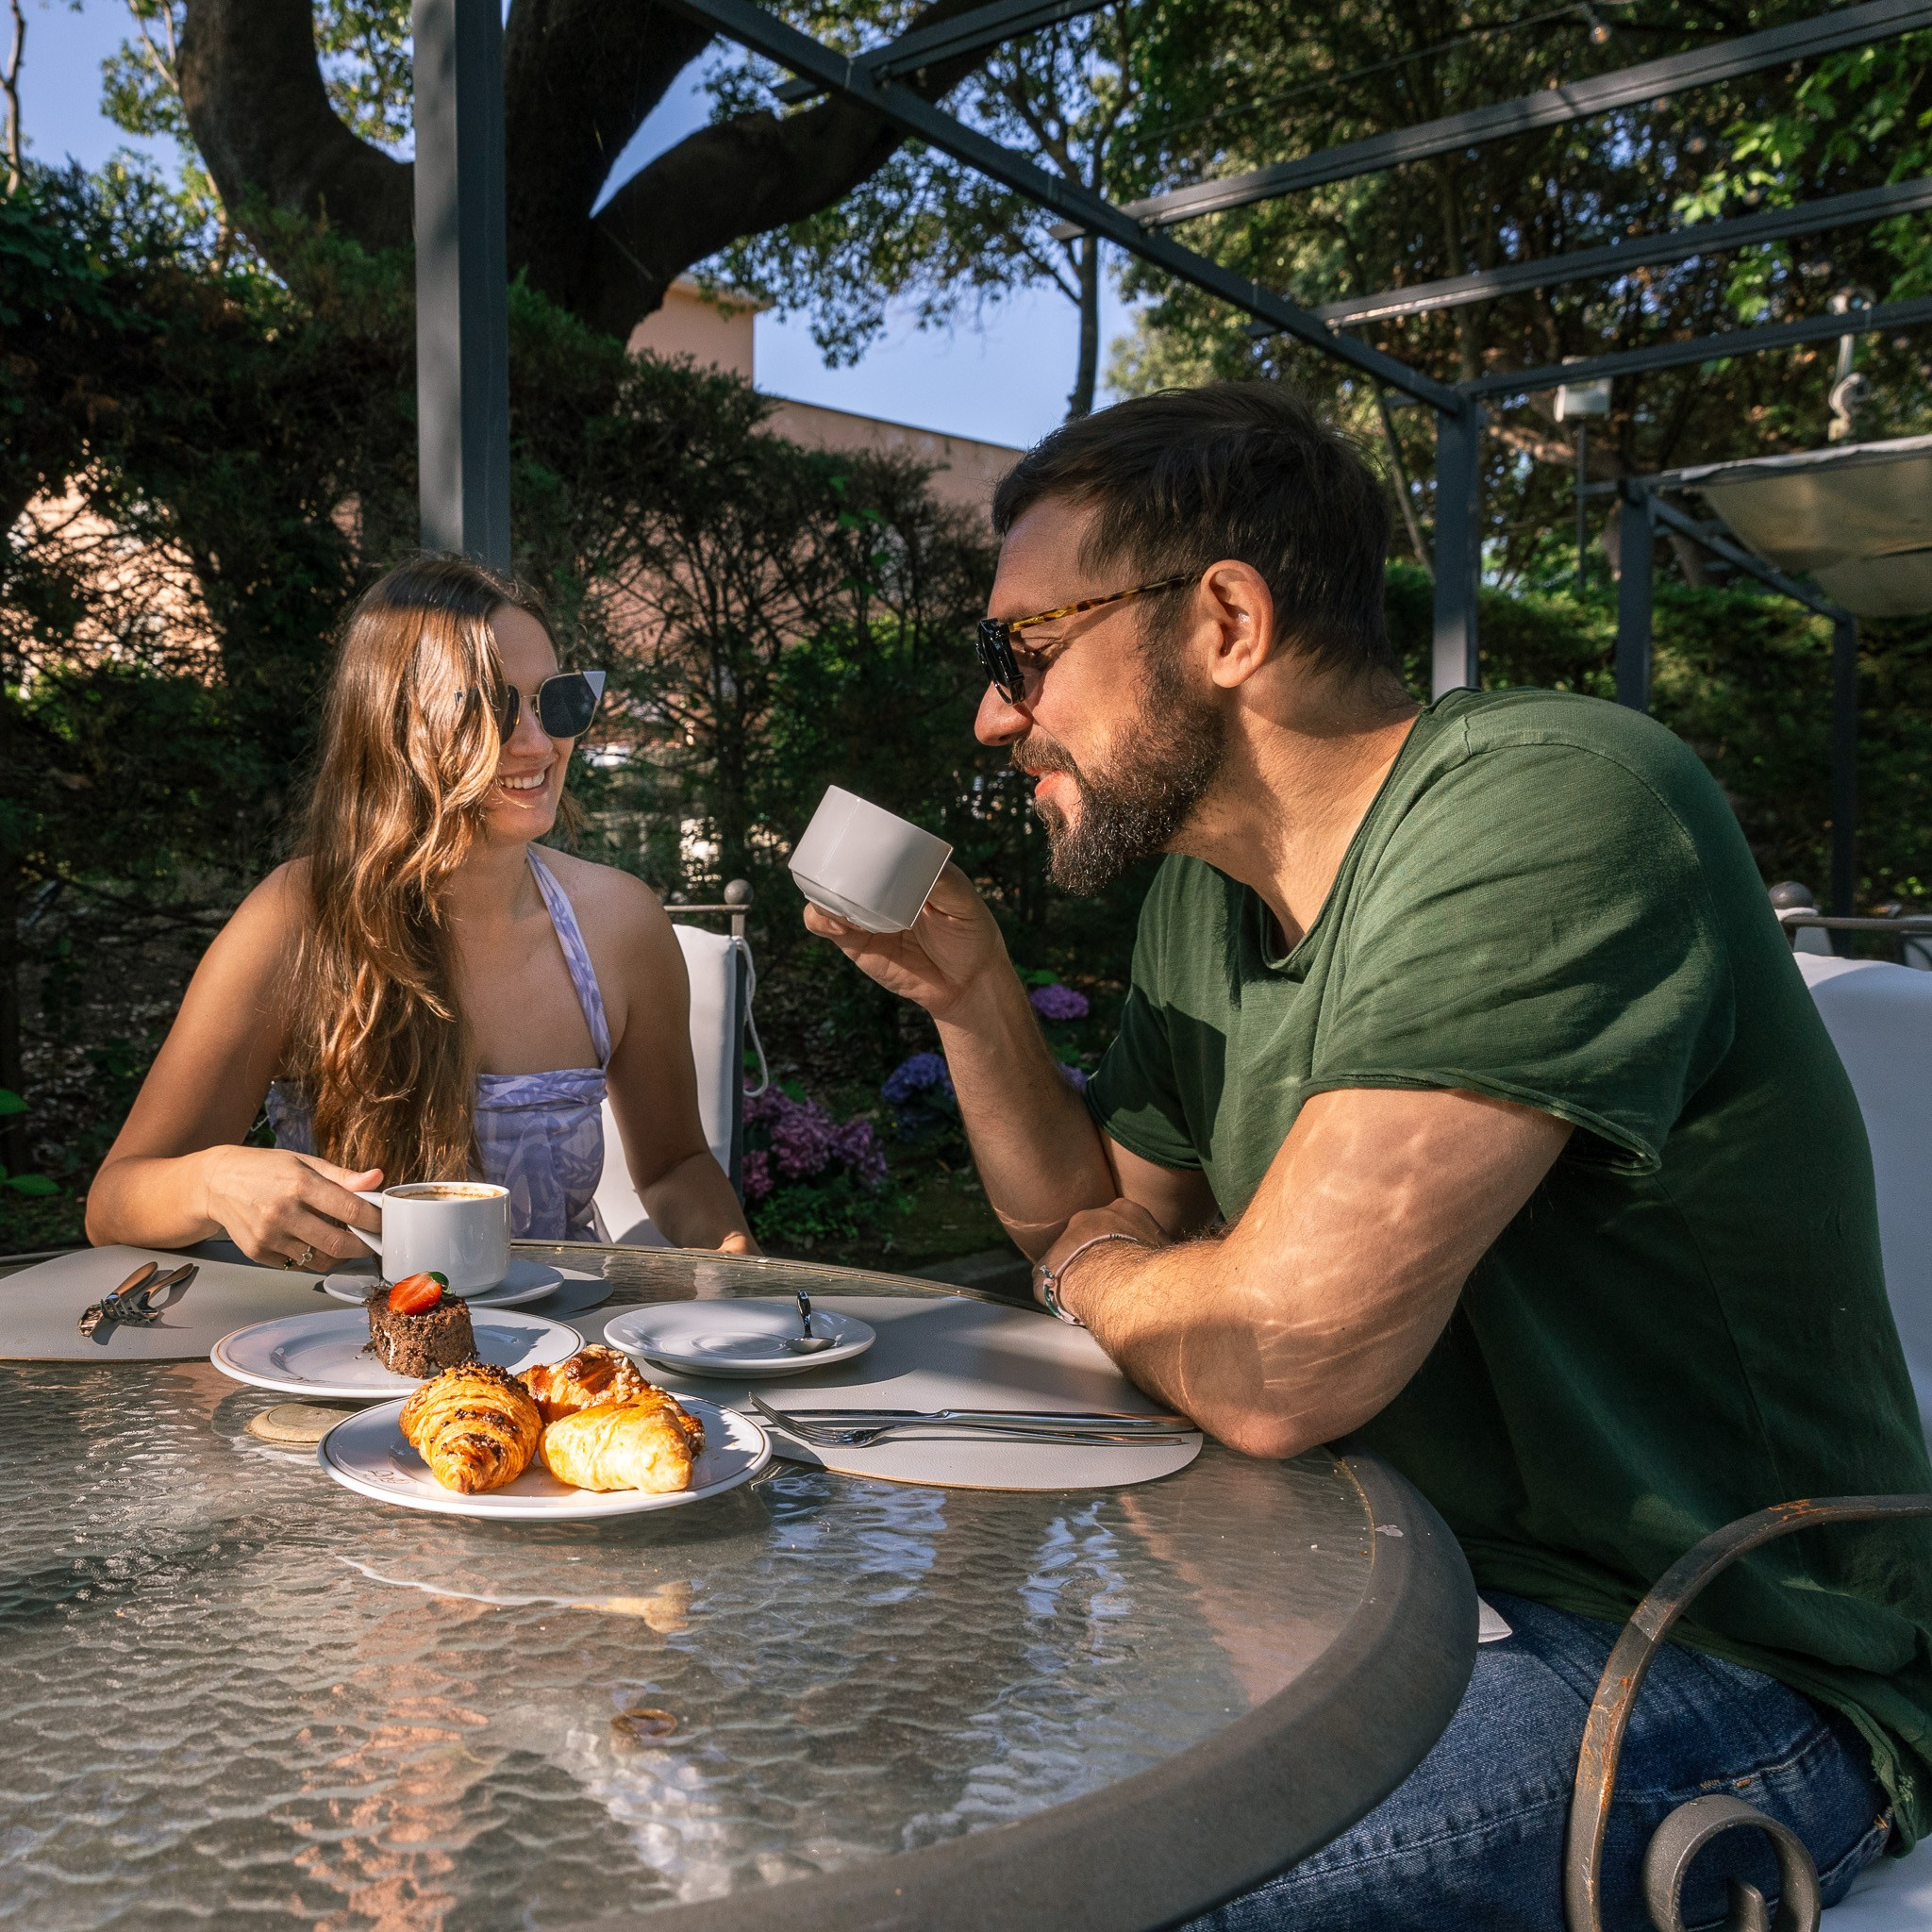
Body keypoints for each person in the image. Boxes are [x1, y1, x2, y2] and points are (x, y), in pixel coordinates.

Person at [807, 383, 1932, 1929]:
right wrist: (972, 993)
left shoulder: (1553, 805)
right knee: (862, 1788)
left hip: (1694, 1640)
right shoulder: (1204, 898)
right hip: (1353, 1593)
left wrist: (1102, 1273)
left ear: (1221, 618)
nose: (992, 714)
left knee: (1069, 1897)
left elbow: (1273, 1359)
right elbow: (1091, 1219)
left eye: (1023, 650)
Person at [88, 554, 753, 1267]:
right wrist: (213, 1180)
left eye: (556, 701)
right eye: (486, 708)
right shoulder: (298, 922)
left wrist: (738, 1261)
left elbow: (675, 1164)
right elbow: (115, 1202)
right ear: (394, 728)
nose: (537, 741)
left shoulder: (620, 924)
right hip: (341, 1357)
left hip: (561, 1361)